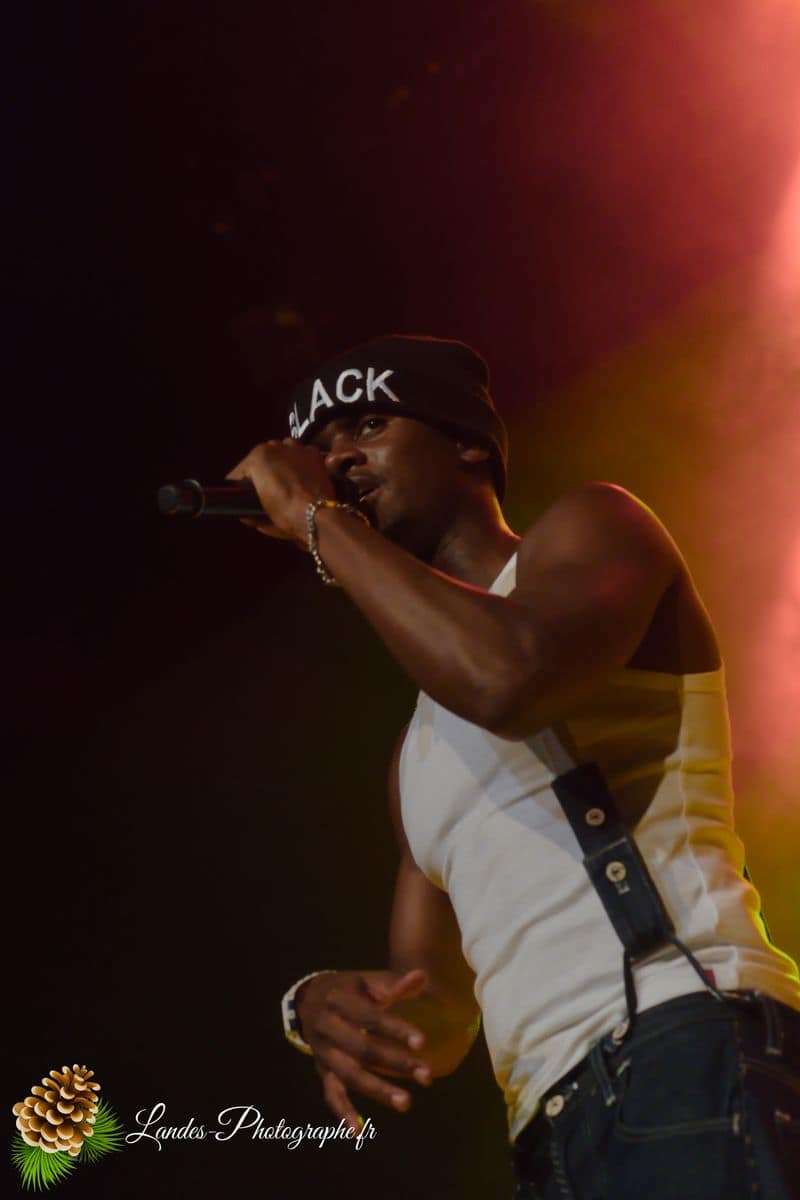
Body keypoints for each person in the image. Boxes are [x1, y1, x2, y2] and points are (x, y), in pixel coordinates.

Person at [227, 335, 800, 1199]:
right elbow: (440, 1010)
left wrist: (317, 518)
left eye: (370, 426)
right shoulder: (415, 757)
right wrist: (314, 1007)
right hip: (550, 1126)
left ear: (468, 444)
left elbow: (508, 678)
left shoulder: (597, 529)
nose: (338, 460)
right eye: (321, 448)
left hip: (683, 1042)